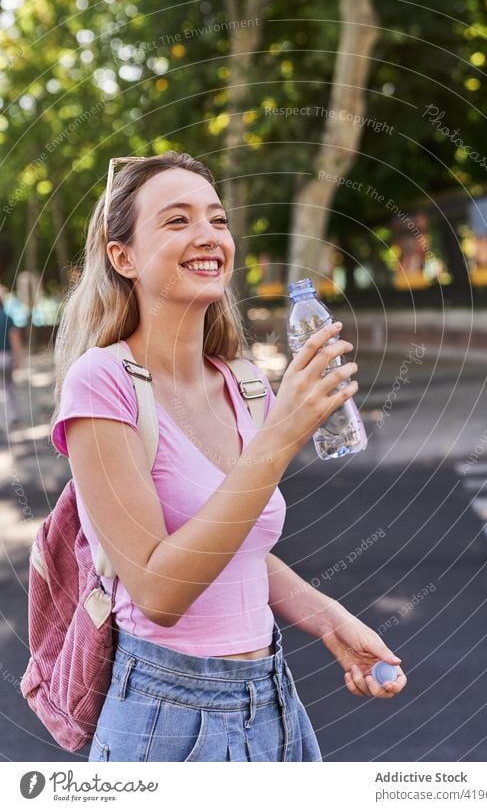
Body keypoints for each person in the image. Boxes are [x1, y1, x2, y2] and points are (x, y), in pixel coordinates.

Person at [49, 151, 407, 763]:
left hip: (272, 700)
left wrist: (331, 621)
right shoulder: (100, 384)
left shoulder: (245, 383)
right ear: (123, 257)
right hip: (166, 717)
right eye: (177, 220)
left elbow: (236, 551)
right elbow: (160, 590)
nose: (207, 236)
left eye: (217, 219)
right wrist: (280, 439)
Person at [0, 284, 23, 428]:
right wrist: (18, 359)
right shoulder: (7, 318)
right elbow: (15, 340)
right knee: (9, 388)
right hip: (7, 357)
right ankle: (13, 417)